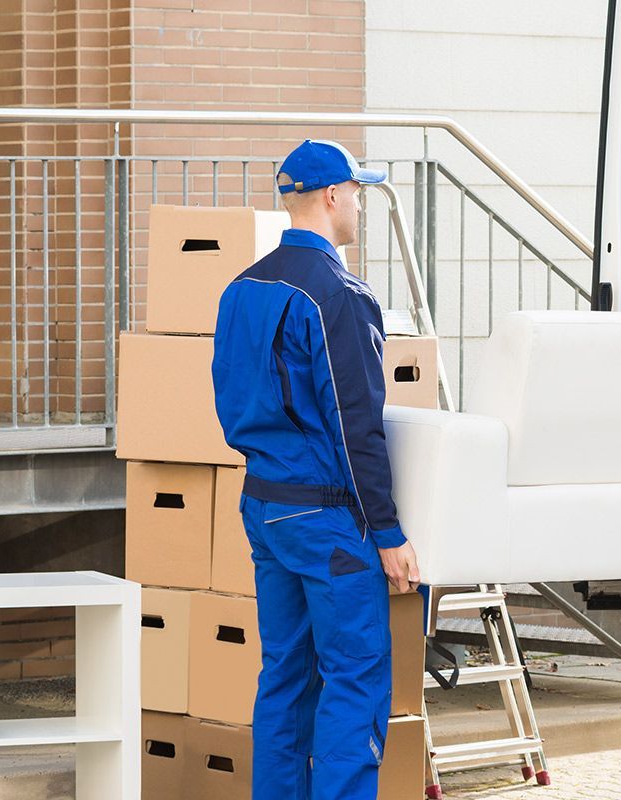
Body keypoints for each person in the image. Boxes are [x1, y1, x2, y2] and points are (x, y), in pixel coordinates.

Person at [211, 139, 420, 800]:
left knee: (284, 676)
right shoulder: (339, 295)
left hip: (266, 506)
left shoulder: (240, 289)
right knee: (354, 682)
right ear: (333, 195)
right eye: (358, 190)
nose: (360, 202)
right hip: (329, 520)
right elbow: (356, 426)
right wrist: (388, 534)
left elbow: (229, 399)